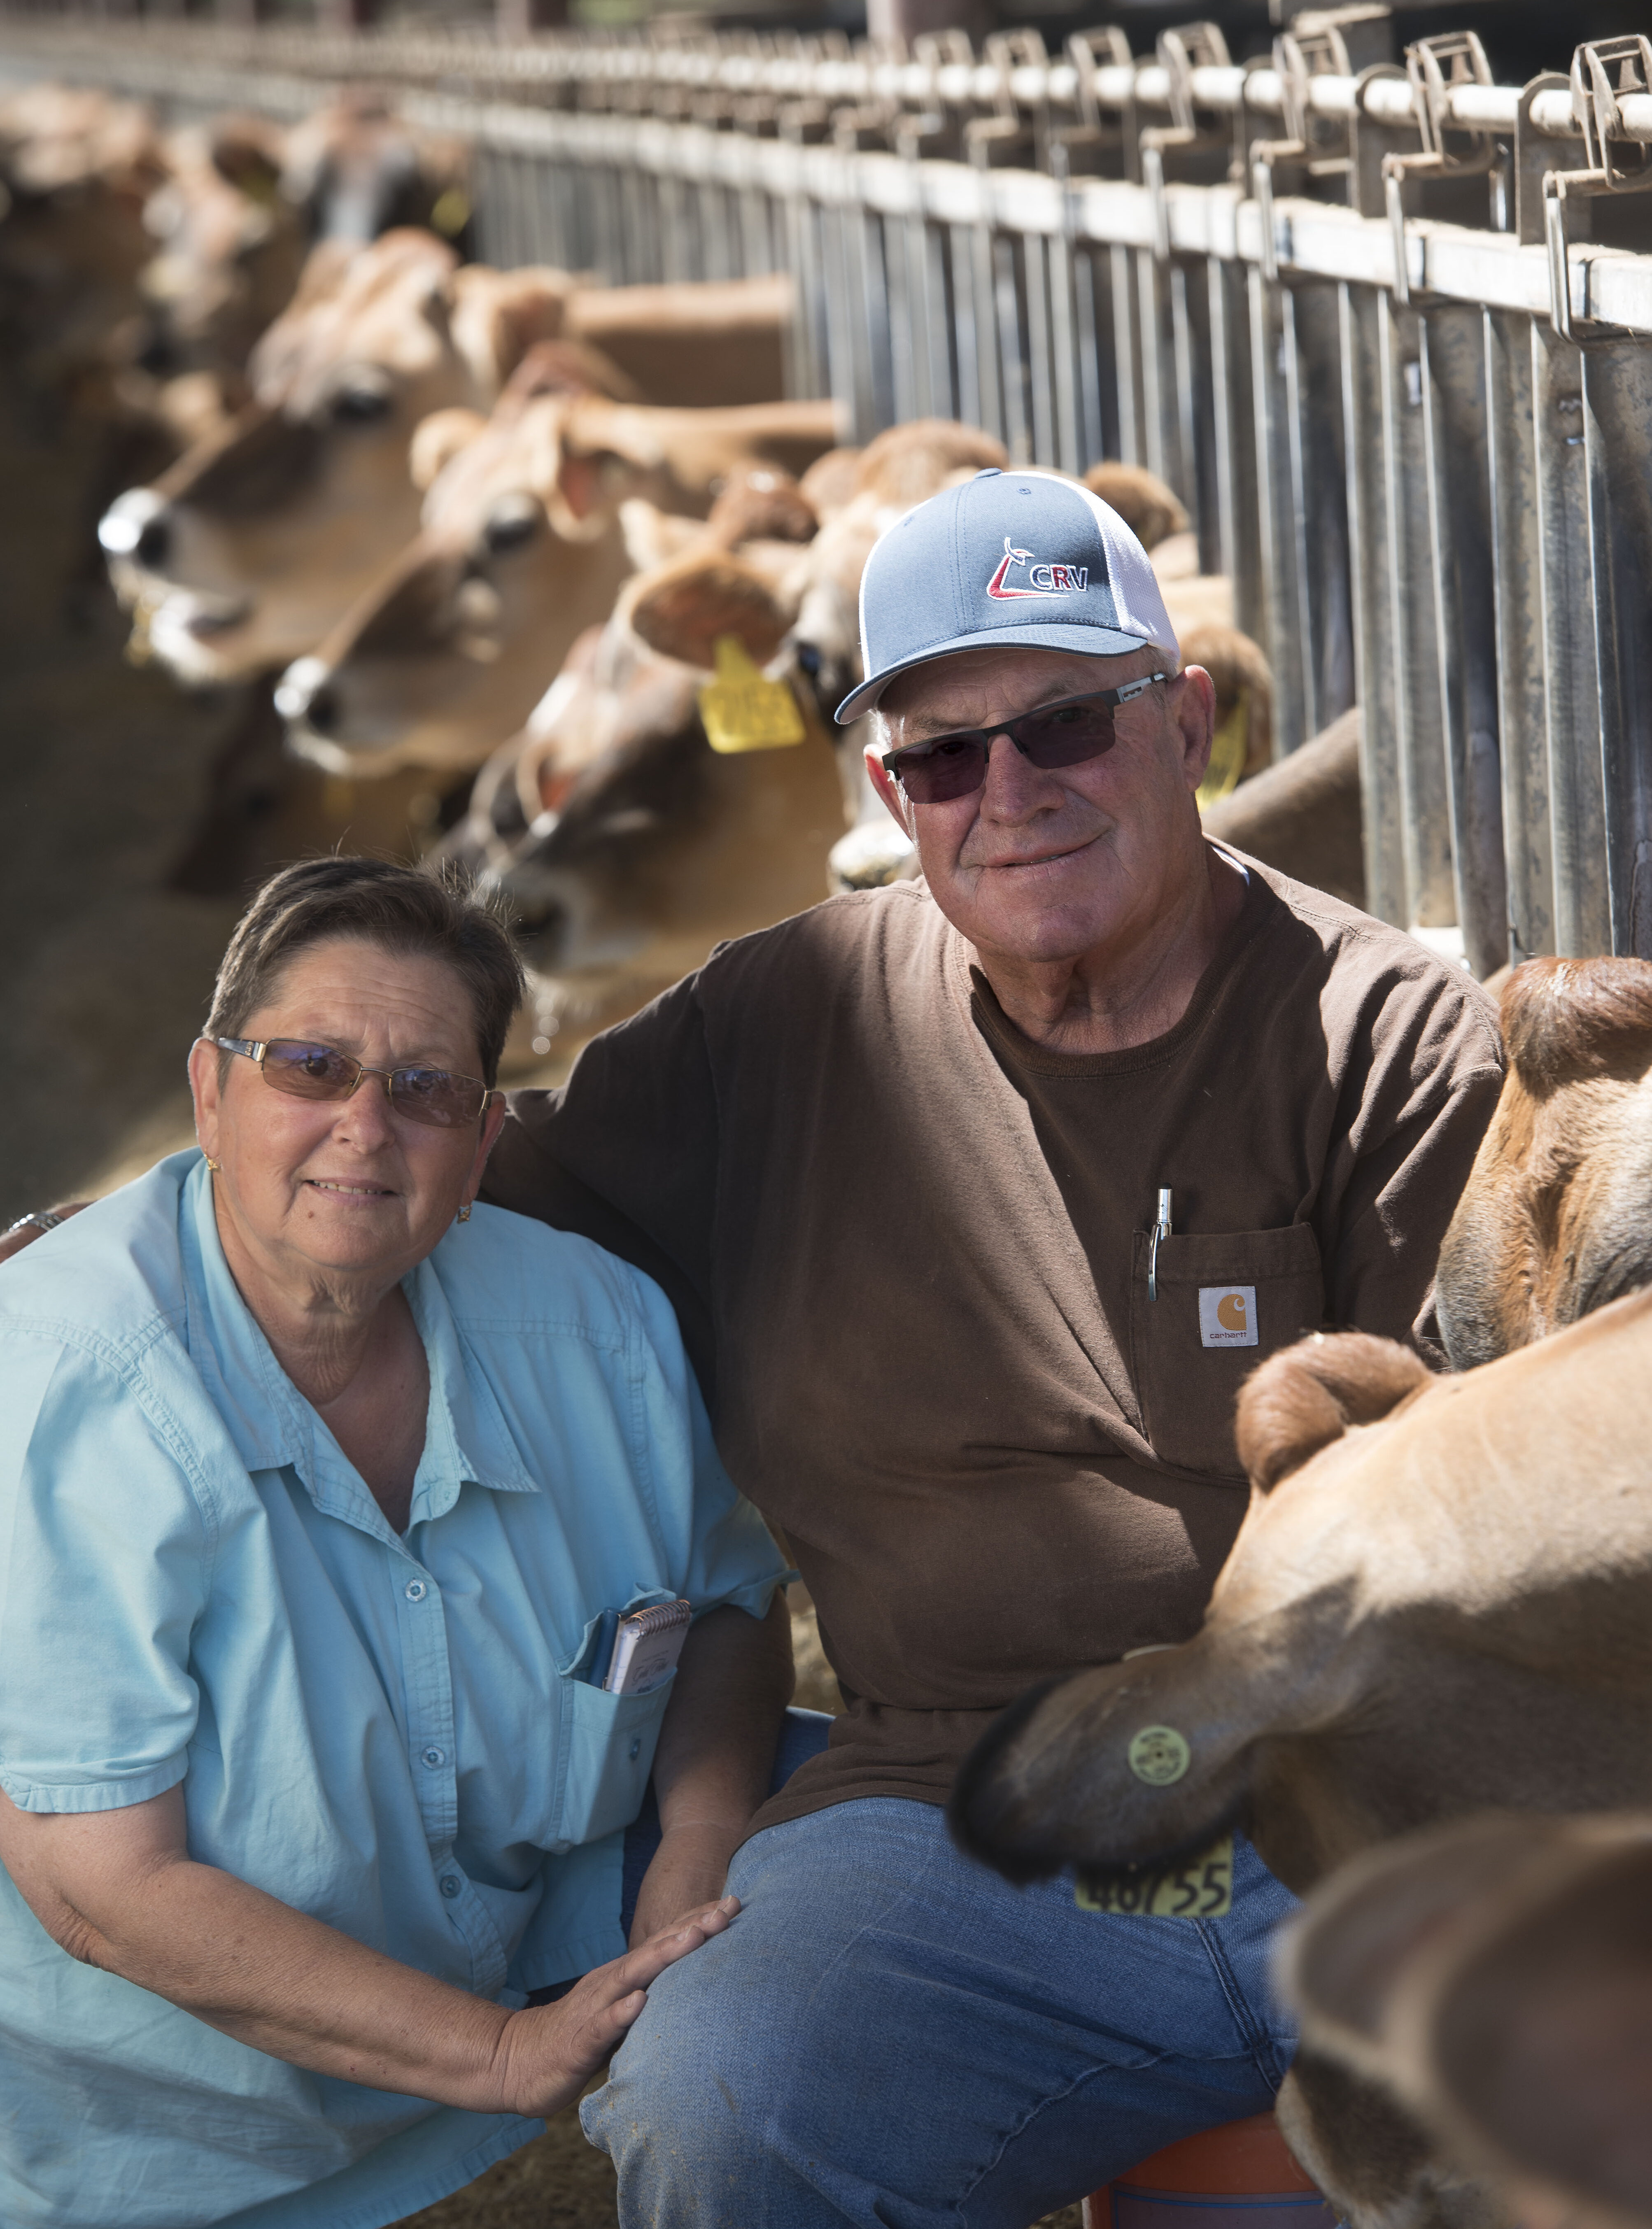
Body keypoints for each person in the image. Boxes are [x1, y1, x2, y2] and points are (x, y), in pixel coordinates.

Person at [2, 474, 1504, 2227]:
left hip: (1340, 1801)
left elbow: (1458, 1539)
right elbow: (406, 1164)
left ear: (1185, 721)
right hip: (962, 1814)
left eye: (1064, 725)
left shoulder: (1380, 1034)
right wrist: (108, 1257)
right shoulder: (781, 1027)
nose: (1006, 795)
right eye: (942, 757)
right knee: (720, 2088)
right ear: (886, 791)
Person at [0, 857, 797, 2229]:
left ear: (484, 1144)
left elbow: (729, 1606)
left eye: (425, 1089)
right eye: (310, 1066)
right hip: (178, 2135)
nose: (365, 1126)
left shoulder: (596, 1328)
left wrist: (700, 1841)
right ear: (209, 1092)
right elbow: (98, 1888)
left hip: (551, 1937)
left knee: (884, 1878)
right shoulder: (69, 1380)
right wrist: (496, 2054)